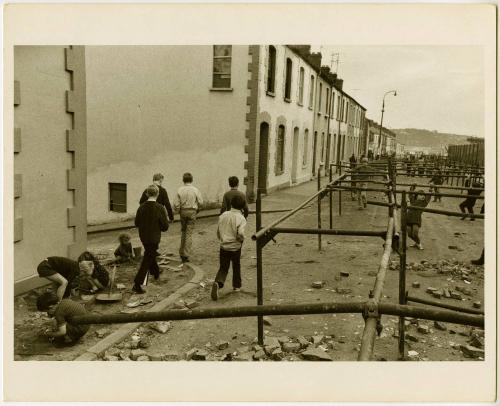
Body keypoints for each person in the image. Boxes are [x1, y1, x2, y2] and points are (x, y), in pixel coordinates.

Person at [133, 184, 169, 293]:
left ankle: (156, 272)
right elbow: (165, 227)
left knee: (150, 254)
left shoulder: (141, 207)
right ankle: (137, 284)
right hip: (154, 238)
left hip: (143, 237)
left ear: (147, 194)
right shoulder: (160, 208)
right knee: (147, 258)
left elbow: (136, 223)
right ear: (157, 194)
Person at [211, 195, 247, 301]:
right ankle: (236, 286)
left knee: (223, 267)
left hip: (224, 246)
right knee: (236, 265)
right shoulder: (241, 218)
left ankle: (218, 283)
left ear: (231, 204)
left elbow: (218, 231)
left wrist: (222, 239)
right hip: (235, 247)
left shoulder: (223, 215)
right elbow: (240, 233)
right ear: (242, 207)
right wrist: (241, 239)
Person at [173, 173, 203, 263]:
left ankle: (181, 252)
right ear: (191, 180)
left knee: (183, 231)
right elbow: (201, 202)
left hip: (183, 211)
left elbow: (176, 204)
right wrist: (198, 210)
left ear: (183, 180)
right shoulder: (195, 190)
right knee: (189, 233)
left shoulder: (180, 190)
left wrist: (179, 210)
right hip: (192, 211)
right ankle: (185, 254)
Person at [406, 184, 432, 250]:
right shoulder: (413, 201)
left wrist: (430, 188)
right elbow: (410, 193)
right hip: (409, 217)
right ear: (416, 196)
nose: (422, 196)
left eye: (423, 195)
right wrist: (413, 187)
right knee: (409, 234)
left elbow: (428, 196)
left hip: (416, 219)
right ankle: (416, 243)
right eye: (420, 195)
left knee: (415, 233)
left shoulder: (424, 203)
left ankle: (419, 243)